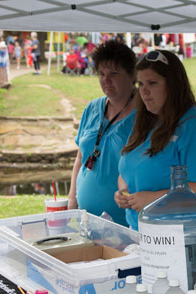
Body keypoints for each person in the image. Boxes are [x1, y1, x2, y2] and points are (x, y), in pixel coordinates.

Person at [115, 50, 196, 241]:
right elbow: (127, 170)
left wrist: (155, 199)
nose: (144, 91)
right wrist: (123, 192)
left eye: (152, 83)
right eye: (140, 84)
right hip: (143, 232)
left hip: (188, 237)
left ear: (173, 85)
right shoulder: (145, 122)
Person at [67, 40, 137, 226]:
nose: (106, 80)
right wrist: (72, 199)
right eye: (102, 73)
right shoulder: (92, 108)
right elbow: (80, 158)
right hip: (86, 220)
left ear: (132, 75)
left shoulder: (145, 115)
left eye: (114, 73)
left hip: (126, 224)